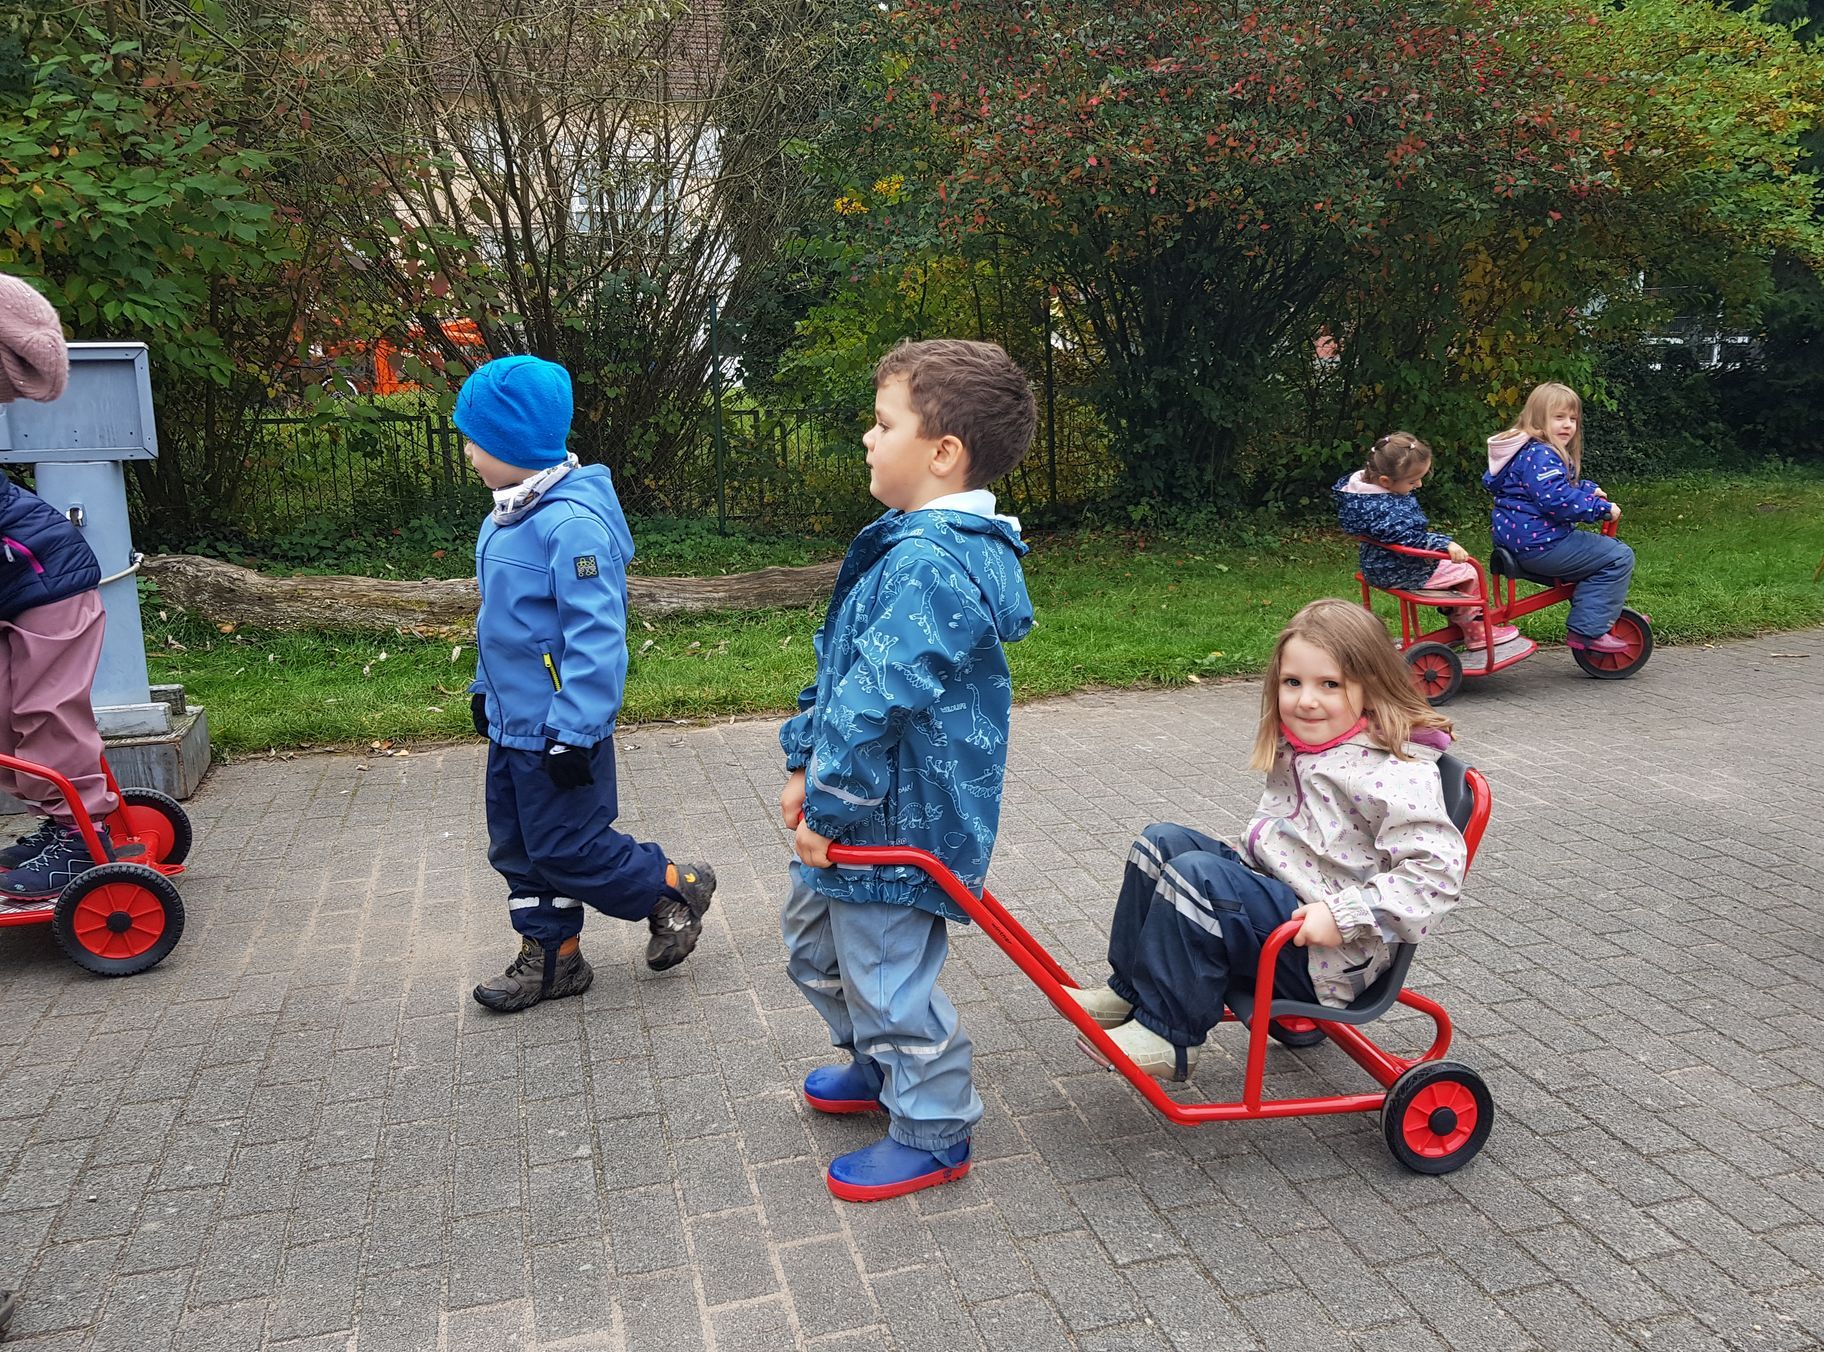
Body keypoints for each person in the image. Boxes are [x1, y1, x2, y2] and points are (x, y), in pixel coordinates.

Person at [779, 338, 1037, 1200]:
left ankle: (933, 1128)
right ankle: (877, 1064)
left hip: (896, 816)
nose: (867, 436)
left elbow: (877, 700)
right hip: (859, 803)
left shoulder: (933, 565)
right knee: (814, 945)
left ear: (942, 452)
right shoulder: (906, 546)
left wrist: (826, 805)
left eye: (883, 423)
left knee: (888, 980)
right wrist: (802, 760)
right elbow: (843, 666)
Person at [1064, 598, 1468, 1080]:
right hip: (1283, 915)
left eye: (1330, 684)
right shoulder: (1306, 747)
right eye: (1292, 682)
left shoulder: (1393, 773)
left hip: (1325, 956)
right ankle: (1129, 991)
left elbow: (1437, 876)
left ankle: (1169, 1034)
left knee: (1198, 876)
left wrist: (1344, 915)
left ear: (1371, 685)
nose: (1306, 700)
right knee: (1163, 842)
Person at [459, 354, 715, 1012]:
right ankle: (555, 960)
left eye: (477, 439)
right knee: (519, 850)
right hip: (514, 725)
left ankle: (673, 886)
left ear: (516, 443)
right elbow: (501, 625)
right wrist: (485, 690)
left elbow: (597, 636)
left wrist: (576, 728)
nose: (468, 452)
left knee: (569, 848)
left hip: (560, 727)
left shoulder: (571, 526)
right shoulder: (504, 518)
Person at [0, 273, 121, 901]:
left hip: (50, 585)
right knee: (7, 719)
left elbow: (37, 361)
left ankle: (80, 835)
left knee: (45, 714)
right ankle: (59, 820)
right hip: (18, 587)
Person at [1483, 382, 1636, 654]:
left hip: (1518, 542)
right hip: (1542, 545)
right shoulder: (1542, 454)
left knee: (1598, 556)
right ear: (1538, 419)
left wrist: (1587, 489)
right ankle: (1587, 630)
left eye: (1573, 419)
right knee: (1618, 556)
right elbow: (1556, 499)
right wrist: (1599, 508)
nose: (1567, 425)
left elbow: (1549, 487)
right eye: (1559, 417)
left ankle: (1598, 613)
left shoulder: (1526, 451)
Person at [1333, 431, 1519, 649]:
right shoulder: (1385, 509)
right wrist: (1445, 543)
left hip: (1378, 564)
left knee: (1456, 570)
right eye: (1412, 481)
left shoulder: (1363, 497)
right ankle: (1477, 633)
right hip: (1400, 569)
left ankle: (1459, 623)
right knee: (1469, 571)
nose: (1419, 484)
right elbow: (1410, 539)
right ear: (1385, 481)